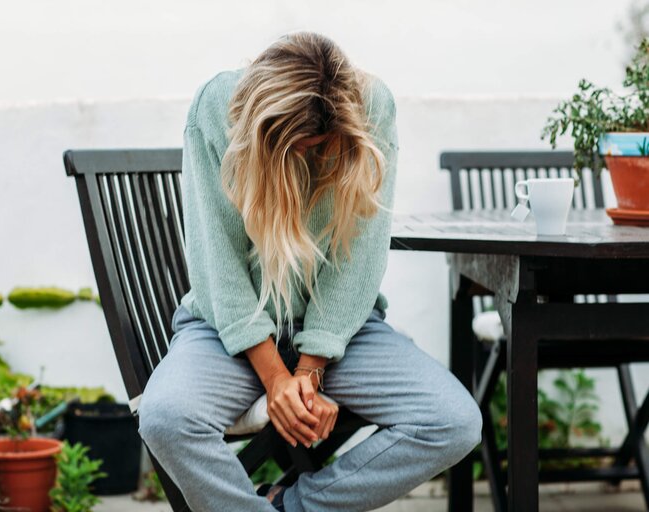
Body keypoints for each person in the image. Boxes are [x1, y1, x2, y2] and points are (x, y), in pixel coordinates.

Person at [137, 31, 482, 512]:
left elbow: (357, 263)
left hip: (341, 335)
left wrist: (309, 369)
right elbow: (217, 264)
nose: (306, 157)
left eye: (318, 147)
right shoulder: (216, 107)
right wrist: (277, 379)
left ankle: (292, 506)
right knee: (164, 418)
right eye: (296, 147)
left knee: (453, 421)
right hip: (228, 333)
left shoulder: (372, 107)